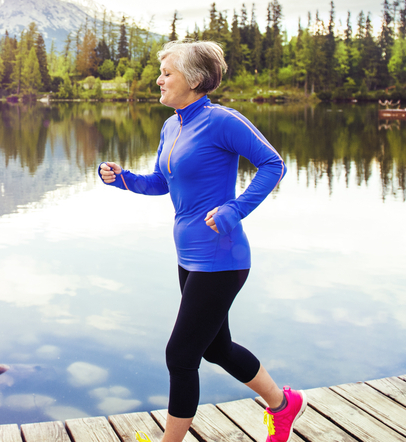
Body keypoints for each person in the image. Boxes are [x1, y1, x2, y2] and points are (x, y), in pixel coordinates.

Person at [98, 40, 305, 442]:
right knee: (216, 348)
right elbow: (161, 182)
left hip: (222, 257)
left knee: (181, 355)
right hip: (189, 256)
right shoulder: (172, 124)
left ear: (193, 80)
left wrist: (235, 209)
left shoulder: (222, 120)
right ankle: (284, 404)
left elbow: (273, 164)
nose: (159, 80)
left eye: (167, 73)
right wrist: (123, 178)